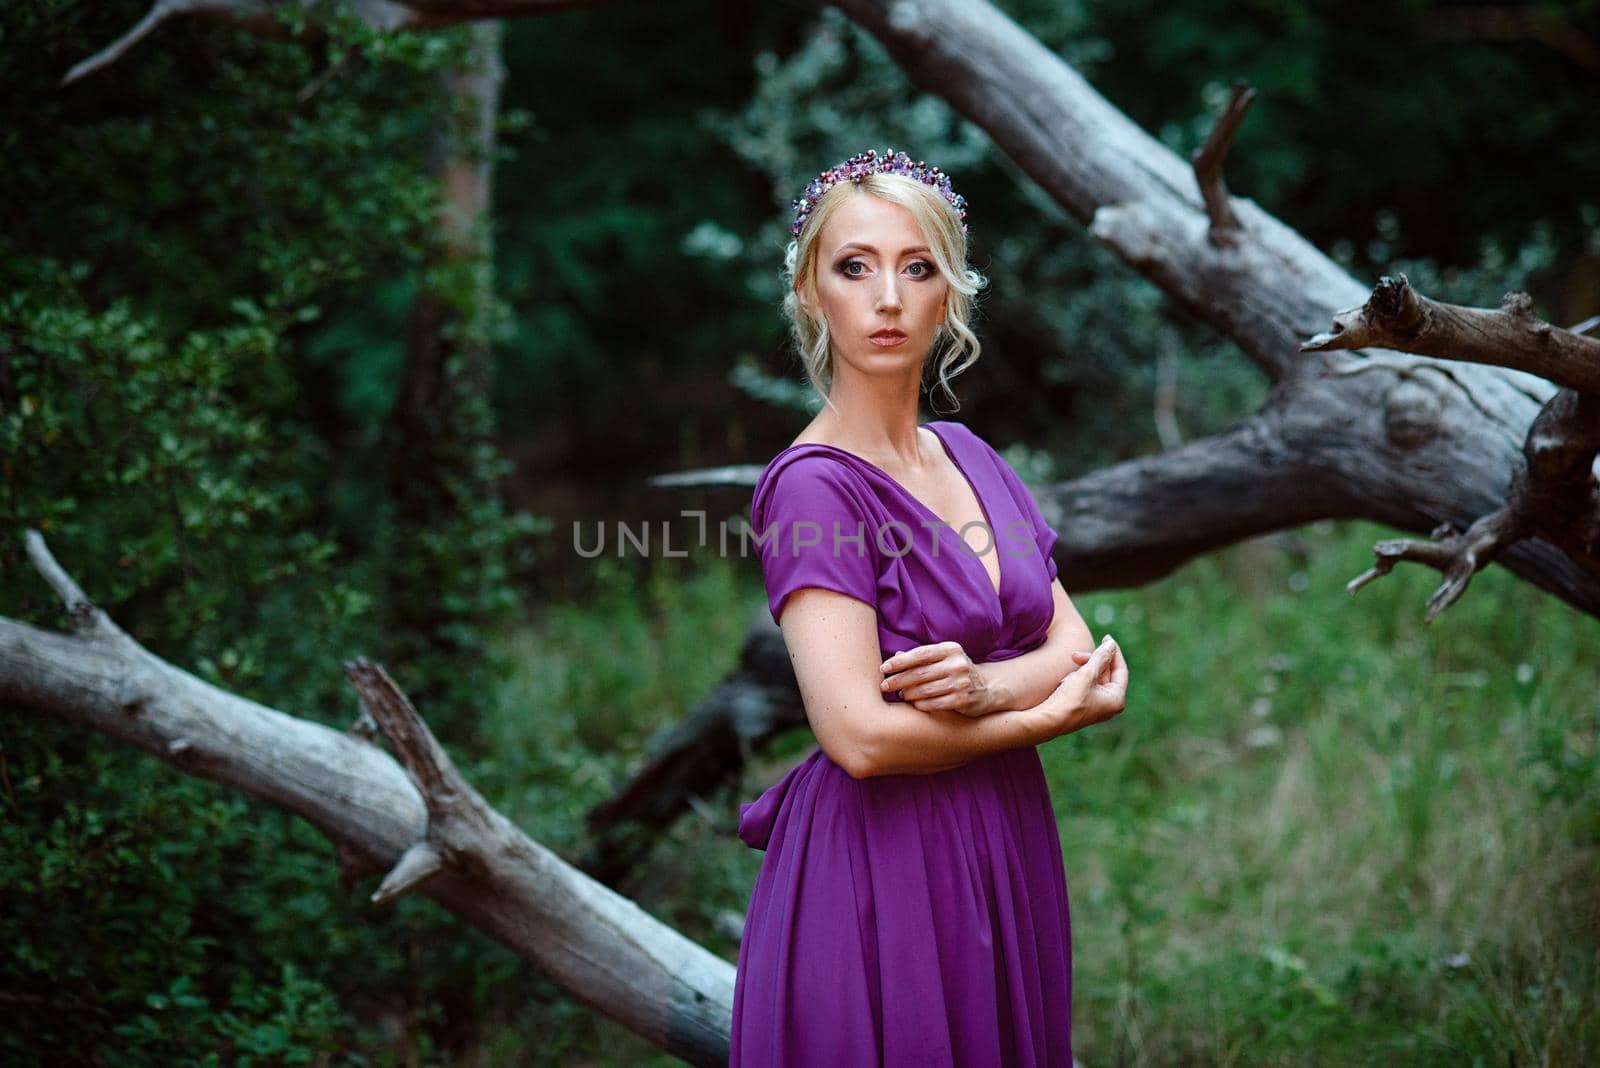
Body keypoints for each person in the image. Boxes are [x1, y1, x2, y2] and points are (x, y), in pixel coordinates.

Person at [728, 148, 1130, 1067]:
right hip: (881, 863)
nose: (888, 298)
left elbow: (1072, 642)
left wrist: (989, 690)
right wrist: (1043, 718)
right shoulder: (812, 491)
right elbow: (861, 739)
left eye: (918, 268)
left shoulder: (971, 457)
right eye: (853, 267)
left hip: (1003, 838)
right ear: (808, 294)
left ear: (950, 295)